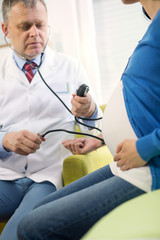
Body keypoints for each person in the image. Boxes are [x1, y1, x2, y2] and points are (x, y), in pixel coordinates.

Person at [17, 0, 160, 239]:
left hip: (147, 168)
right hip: (127, 163)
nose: (34, 33)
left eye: (40, 24)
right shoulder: (153, 28)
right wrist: (102, 139)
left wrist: (144, 148)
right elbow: (147, 106)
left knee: (31, 227)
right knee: (37, 211)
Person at [0, 0, 102, 239]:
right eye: (25, 26)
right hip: (5, 175)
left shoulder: (71, 66)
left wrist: (89, 109)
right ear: (6, 30)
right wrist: (5, 140)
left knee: (15, 235)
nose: (35, 33)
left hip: (46, 176)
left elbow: (93, 125)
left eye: (40, 25)